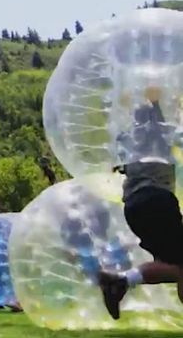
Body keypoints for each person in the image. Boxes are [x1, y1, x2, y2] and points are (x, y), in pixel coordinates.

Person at [100, 86, 183, 320]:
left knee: (170, 265)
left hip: (134, 206)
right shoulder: (157, 137)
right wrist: (154, 101)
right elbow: (160, 122)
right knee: (178, 265)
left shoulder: (129, 142)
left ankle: (121, 281)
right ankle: (120, 281)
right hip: (157, 201)